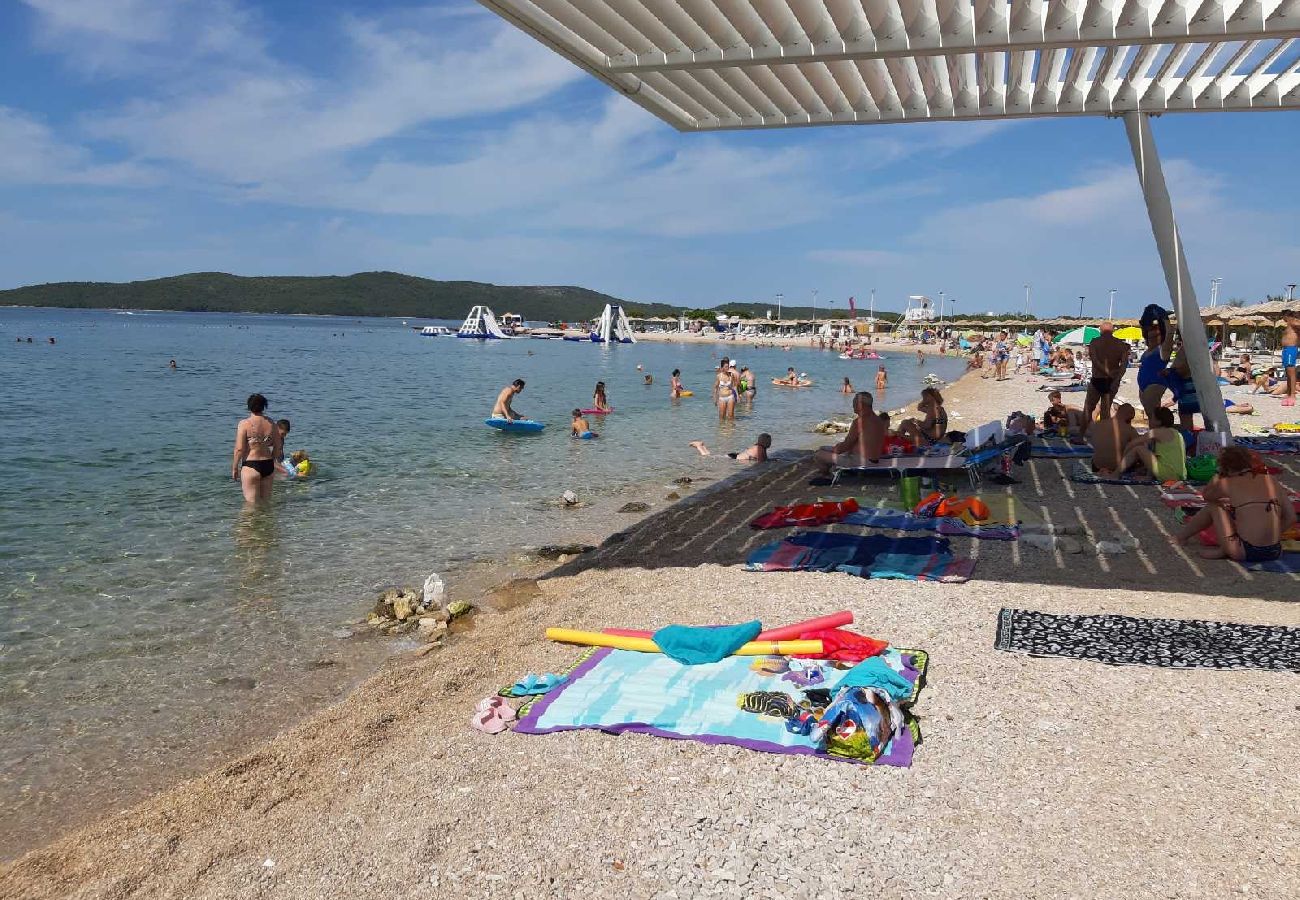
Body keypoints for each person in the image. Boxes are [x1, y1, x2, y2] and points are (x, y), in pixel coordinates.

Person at [1175, 446, 1294, 561]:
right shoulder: (1270, 480)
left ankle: (1182, 538)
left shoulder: (1227, 483)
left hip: (1245, 551)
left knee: (1214, 506)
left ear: (1225, 468)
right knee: (1246, 512)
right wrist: (1271, 537)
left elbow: (1207, 496)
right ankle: (1227, 549)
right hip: (1274, 551)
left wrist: (1217, 476)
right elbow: (1291, 517)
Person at [814, 392, 886, 472]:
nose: (852, 405)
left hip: (861, 462)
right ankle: (832, 467)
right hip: (874, 460)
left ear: (860, 404)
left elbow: (846, 445)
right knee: (825, 449)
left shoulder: (860, 421)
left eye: (854, 402)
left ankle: (826, 474)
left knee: (819, 454)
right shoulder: (878, 420)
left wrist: (835, 450)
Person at [231, 393, 283, 503]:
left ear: (249, 406)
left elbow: (239, 449)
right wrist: (273, 459)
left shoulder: (244, 424)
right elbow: (278, 447)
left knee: (251, 506)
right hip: (268, 465)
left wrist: (235, 467)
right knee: (265, 503)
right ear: (264, 406)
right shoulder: (271, 424)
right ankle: (266, 520)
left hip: (251, 465)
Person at [1118, 407, 1186, 482]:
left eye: (1151, 418)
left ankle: (1114, 474)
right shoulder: (1177, 433)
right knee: (1148, 453)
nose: (1148, 421)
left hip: (1168, 474)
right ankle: (1148, 476)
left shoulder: (1156, 432)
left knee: (1138, 449)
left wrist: (1120, 461)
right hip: (1180, 475)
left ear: (1158, 422)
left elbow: (1132, 444)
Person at [1083, 322, 1130, 422]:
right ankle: (1103, 434)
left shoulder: (1095, 342)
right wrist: (1117, 378)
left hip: (1097, 379)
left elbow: (1095, 361)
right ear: (1112, 331)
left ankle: (1081, 434)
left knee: (1088, 408)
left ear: (1100, 331)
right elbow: (1124, 365)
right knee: (1105, 410)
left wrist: (1106, 371)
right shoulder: (1121, 344)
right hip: (1112, 380)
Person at [1137, 318, 1175, 424]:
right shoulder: (1148, 350)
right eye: (1150, 336)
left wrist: (1166, 321)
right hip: (1143, 385)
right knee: (1150, 415)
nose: (1152, 338)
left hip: (1155, 383)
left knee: (1153, 415)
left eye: (1155, 336)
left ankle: (1156, 437)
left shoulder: (1162, 350)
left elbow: (1169, 337)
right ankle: (1155, 436)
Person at [1087, 404, 1140, 475]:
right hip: (1117, 467)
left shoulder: (1099, 424)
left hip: (1096, 466)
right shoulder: (1130, 429)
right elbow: (1140, 446)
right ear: (1130, 416)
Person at [689, 433, 771, 461]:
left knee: (711, 456)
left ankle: (702, 446)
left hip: (735, 456)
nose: (770, 443)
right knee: (708, 457)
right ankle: (699, 446)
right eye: (769, 441)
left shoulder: (758, 447)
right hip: (733, 458)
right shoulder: (758, 449)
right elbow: (761, 462)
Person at [1282, 313, 1300, 406]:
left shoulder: (1294, 322)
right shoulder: (1290, 324)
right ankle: (1289, 393)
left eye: (1284, 315)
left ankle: (1292, 394)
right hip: (1286, 349)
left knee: (1291, 372)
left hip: (1291, 348)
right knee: (1287, 372)